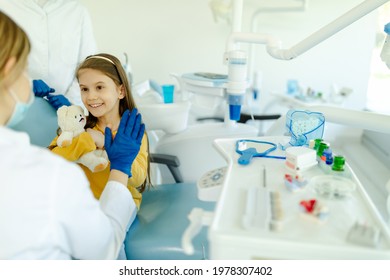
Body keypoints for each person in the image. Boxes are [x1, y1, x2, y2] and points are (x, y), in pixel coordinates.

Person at [0, 11, 144, 260]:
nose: (91, 96)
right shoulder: (51, 171)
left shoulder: (130, 129)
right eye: (85, 89)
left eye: (100, 87)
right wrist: (94, 145)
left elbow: (139, 174)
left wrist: (119, 162)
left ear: (120, 90)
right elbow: (103, 252)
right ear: (10, 69)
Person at [0, 0, 97, 110]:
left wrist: (70, 102)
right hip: (15, 106)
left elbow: (88, 63)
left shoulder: (78, 11)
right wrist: (22, 85)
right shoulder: (4, 6)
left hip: (67, 112)